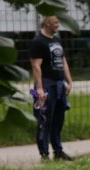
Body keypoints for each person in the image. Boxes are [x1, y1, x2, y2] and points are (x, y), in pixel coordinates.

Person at [29, 16, 73, 161]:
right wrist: (40, 88)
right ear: (47, 23)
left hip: (59, 84)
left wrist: (69, 80)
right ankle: (44, 153)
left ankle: (58, 150)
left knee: (58, 118)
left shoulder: (57, 40)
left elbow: (63, 61)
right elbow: (36, 66)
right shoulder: (38, 42)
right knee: (45, 119)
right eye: (55, 22)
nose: (58, 25)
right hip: (47, 84)